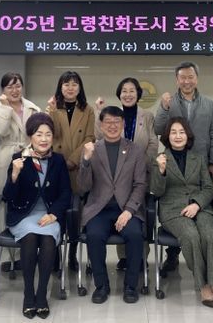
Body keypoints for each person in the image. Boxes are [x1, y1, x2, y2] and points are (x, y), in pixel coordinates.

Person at [154, 61, 213, 272]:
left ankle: (207, 265)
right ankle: (173, 254)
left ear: (197, 79)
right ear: (177, 80)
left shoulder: (210, 105)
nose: (187, 81)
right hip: (175, 163)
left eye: (190, 77)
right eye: (182, 77)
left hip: (200, 164)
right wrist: (164, 108)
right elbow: (158, 128)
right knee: (178, 206)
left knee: (201, 212)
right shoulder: (169, 102)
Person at [151, 117, 213, 307]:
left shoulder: (198, 158)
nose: (178, 136)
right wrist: (161, 171)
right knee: (190, 235)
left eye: (181, 132)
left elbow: (208, 188)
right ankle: (202, 285)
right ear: (167, 136)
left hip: (199, 207)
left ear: (188, 135)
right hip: (172, 210)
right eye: (173, 132)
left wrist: (197, 204)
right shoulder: (160, 159)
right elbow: (156, 192)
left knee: (210, 235)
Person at [2, 113, 72, 319]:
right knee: (31, 238)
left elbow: (65, 193)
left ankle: (41, 295)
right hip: (24, 215)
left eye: (48, 134)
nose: (44, 139)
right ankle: (28, 294)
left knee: (48, 241)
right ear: (30, 136)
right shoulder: (18, 158)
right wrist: (14, 175)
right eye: (39, 134)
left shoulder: (58, 160)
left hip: (49, 215)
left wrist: (54, 214)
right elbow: (8, 196)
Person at [77, 106, 147, 304]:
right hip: (99, 209)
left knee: (135, 235)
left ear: (123, 124)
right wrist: (85, 161)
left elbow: (140, 184)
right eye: (108, 122)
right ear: (101, 125)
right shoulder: (92, 149)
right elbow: (83, 187)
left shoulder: (135, 150)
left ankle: (130, 286)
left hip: (126, 209)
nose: (112, 126)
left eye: (117, 122)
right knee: (94, 235)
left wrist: (129, 210)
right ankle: (101, 286)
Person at [95, 77, 158, 270]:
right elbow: (99, 138)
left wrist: (139, 164)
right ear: (119, 94)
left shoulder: (147, 116)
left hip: (140, 174)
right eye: (124, 91)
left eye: (132, 91)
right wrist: (98, 113)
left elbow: (153, 143)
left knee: (137, 215)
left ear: (138, 94)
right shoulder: (113, 116)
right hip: (116, 176)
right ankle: (124, 257)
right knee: (119, 211)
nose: (128, 94)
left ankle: (140, 257)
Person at [47, 70, 95, 271]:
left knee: (76, 212)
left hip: (77, 166)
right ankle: (55, 254)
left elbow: (90, 138)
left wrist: (74, 160)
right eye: (66, 84)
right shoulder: (52, 108)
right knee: (56, 209)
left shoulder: (88, 110)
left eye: (74, 84)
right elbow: (52, 135)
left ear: (80, 88)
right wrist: (51, 112)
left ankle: (73, 254)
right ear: (60, 87)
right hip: (56, 166)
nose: (70, 88)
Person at [0, 72, 40, 196]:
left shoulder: (33, 109)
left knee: (29, 193)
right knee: (2, 194)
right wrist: (5, 108)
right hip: (6, 156)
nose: (14, 91)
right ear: (3, 90)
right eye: (10, 87)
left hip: (30, 154)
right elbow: (1, 131)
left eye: (18, 86)